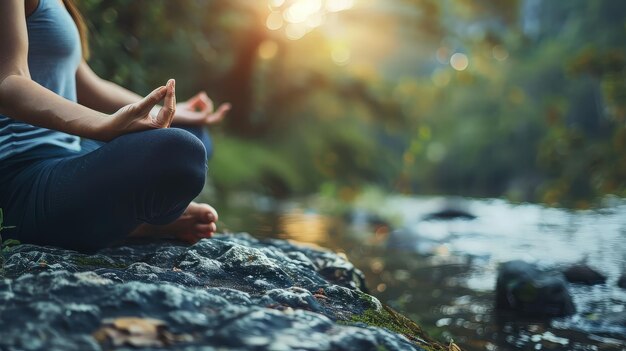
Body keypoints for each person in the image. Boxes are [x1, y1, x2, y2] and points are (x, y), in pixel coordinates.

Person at [0, 0, 231, 251]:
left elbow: (86, 84)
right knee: (183, 152)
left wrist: (164, 112)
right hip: (18, 178)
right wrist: (104, 125)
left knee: (193, 134)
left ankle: (128, 220)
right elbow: (9, 83)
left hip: (69, 155)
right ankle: (137, 222)